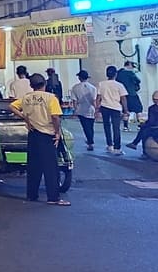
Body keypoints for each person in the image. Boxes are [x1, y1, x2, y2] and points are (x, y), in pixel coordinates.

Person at [10, 73, 69, 206]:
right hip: (47, 135)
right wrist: (57, 132)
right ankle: (53, 197)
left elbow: (12, 106)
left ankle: (31, 195)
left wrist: (24, 117)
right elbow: (55, 117)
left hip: (33, 134)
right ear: (45, 84)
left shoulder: (26, 98)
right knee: (51, 168)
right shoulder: (50, 98)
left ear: (31, 86)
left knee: (33, 167)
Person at [95, 65, 128, 155]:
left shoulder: (101, 84)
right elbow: (123, 99)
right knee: (116, 128)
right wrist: (126, 110)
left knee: (107, 126)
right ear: (116, 74)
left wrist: (97, 109)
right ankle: (117, 148)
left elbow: (98, 98)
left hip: (104, 107)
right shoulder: (119, 85)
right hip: (116, 108)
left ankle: (109, 145)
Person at [70, 70, 98, 151]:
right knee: (91, 126)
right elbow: (94, 100)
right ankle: (90, 140)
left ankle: (90, 142)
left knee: (85, 127)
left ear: (79, 78)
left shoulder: (75, 87)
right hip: (91, 109)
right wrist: (96, 110)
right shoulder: (93, 88)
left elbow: (74, 101)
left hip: (81, 110)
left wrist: (75, 110)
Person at [115, 61, 143, 131]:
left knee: (125, 110)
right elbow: (138, 80)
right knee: (138, 109)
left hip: (122, 94)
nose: (132, 68)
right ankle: (140, 125)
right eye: (132, 66)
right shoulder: (130, 73)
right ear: (129, 65)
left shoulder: (119, 73)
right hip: (132, 94)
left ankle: (125, 126)